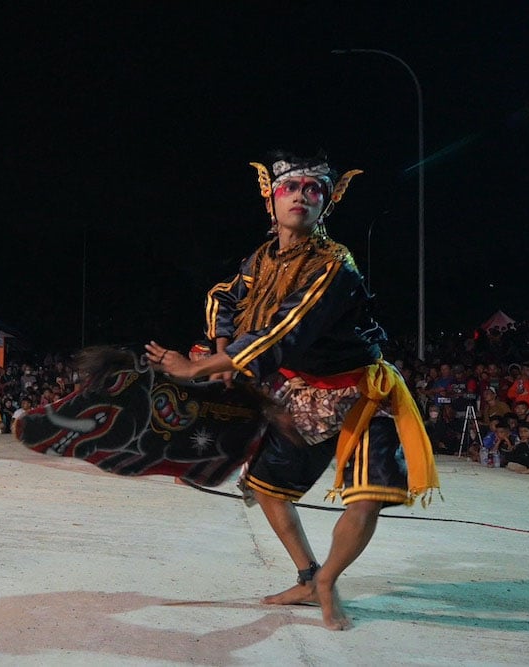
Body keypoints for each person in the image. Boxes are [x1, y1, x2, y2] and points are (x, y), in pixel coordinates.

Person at [145, 152, 438, 630]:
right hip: (305, 390)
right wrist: (222, 348)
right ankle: (307, 575)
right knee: (267, 488)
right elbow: (225, 295)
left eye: (313, 189)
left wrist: (197, 367)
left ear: (327, 203)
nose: (301, 195)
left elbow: (282, 332)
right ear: (271, 200)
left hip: (363, 392)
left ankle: (328, 580)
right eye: (290, 187)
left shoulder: (333, 264)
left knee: (367, 497)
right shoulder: (259, 260)